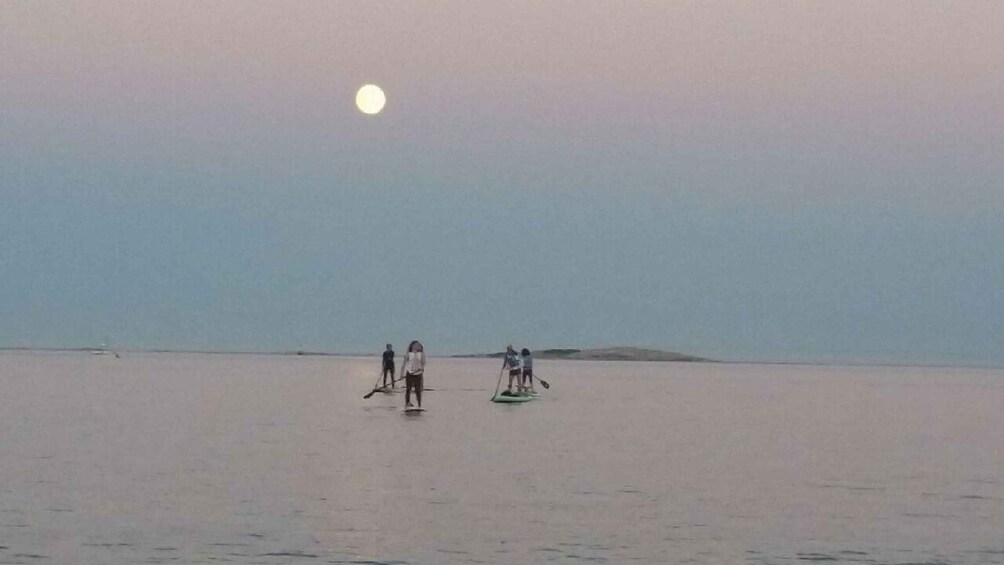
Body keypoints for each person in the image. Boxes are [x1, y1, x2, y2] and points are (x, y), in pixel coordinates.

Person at [402, 340, 426, 408]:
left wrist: (421, 369)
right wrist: (401, 374)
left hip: (418, 375)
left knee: (418, 390)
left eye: (418, 345)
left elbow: (423, 363)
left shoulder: (422, 354)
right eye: (415, 345)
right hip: (409, 374)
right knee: (408, 389)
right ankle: (407, 403)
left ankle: (419, 405)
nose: (417, 346)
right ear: (412, 346)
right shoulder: (408, 354)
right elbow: (404, 365)